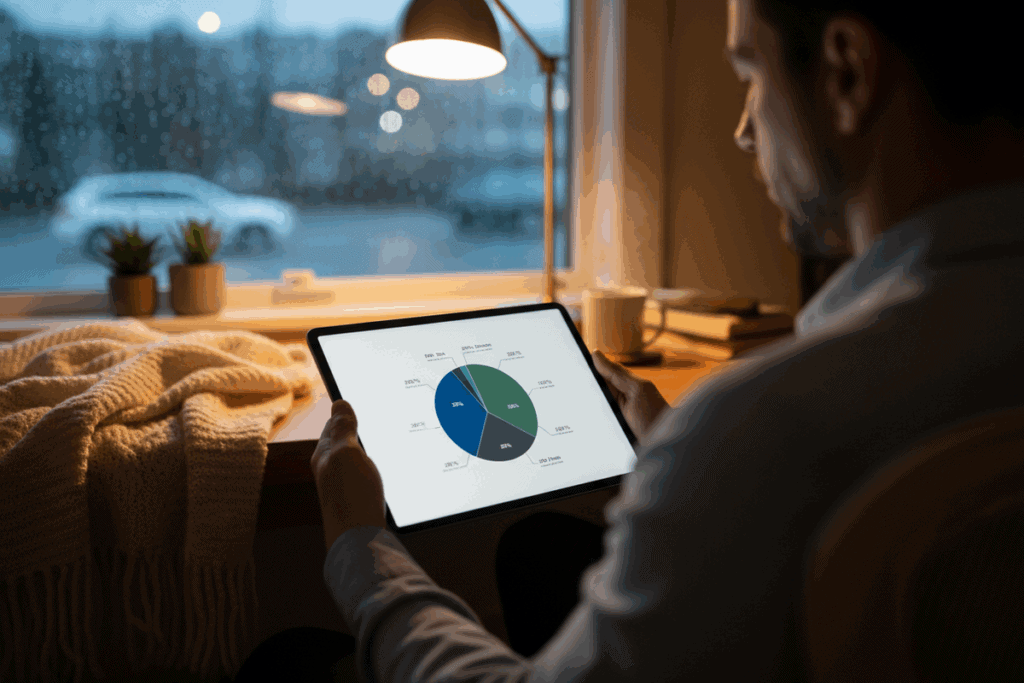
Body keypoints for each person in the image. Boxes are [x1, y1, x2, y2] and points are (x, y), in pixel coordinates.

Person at [298, 0, 1024, 680]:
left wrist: (362, 549)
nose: (744, 130)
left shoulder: (766, 426)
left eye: (749, 73)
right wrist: (688, 445)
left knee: (291, 658)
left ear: (847, 72)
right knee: (541, 547)